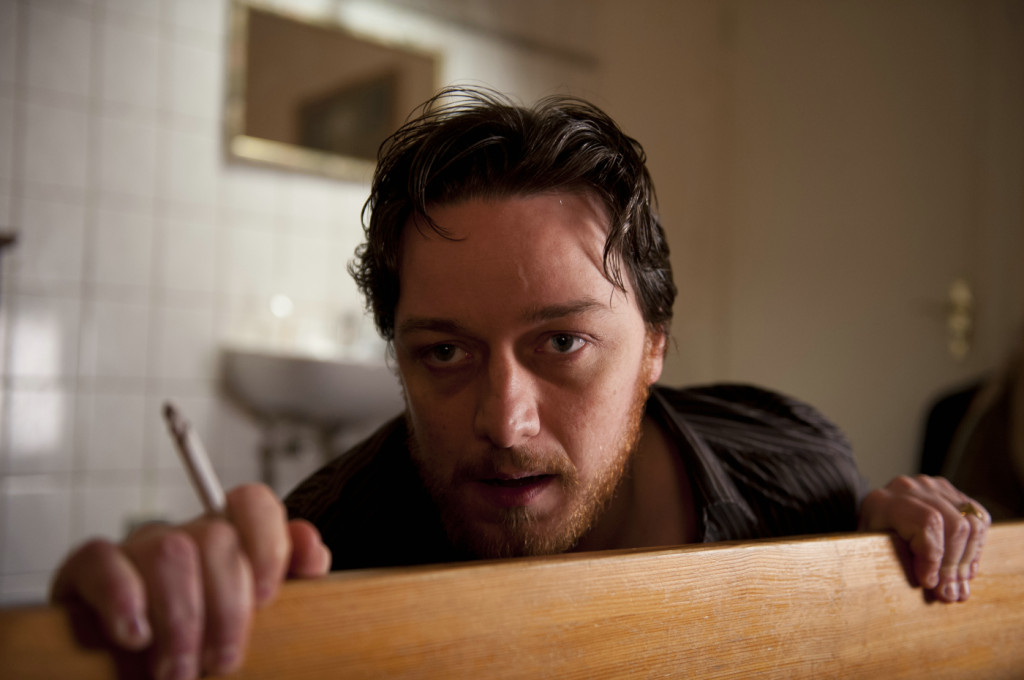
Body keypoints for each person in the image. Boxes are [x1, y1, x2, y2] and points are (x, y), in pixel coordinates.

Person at [51, 87, 990, 680]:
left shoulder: (800, 472)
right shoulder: (327, 558)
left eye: (563, 343)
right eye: (444, 353)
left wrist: (887, 549)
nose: (504, 422)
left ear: (655, 345)